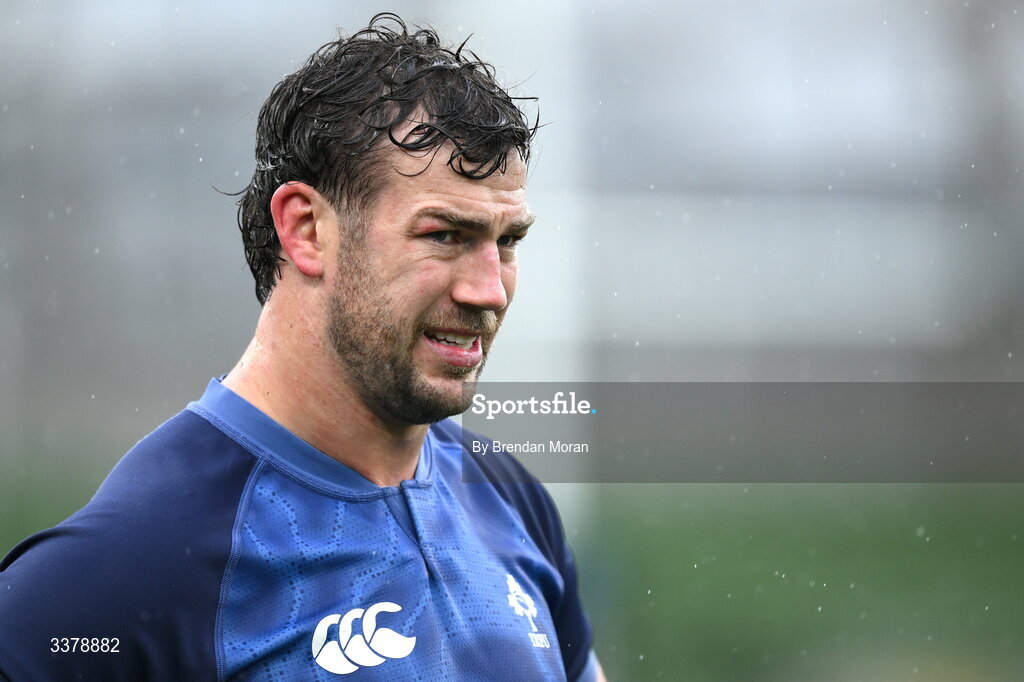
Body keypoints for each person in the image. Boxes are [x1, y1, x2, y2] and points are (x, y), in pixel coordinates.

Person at [0, 13, 604, 682]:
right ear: (307, 229)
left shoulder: (509, 500)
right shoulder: (144, 556)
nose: (489, 291)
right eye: (445, 235)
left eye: (508, 242)